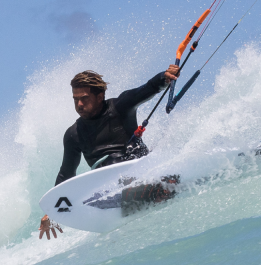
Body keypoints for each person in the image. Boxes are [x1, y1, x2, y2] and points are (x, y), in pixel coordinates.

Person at [38, 65, 180, 240]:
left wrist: (164, 78)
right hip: (111, 189)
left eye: (84, 98)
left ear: (100, 97)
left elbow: (146, 89)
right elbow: (66, 174)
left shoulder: (120, 107)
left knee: (167, 177)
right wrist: (52, 211)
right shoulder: (73, 134)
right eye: (75, 99)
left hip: (139, 171)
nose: (79, 104)